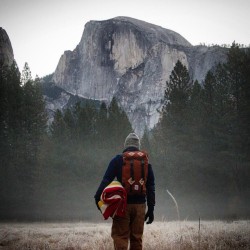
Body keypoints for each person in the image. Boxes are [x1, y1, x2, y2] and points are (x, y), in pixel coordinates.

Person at [94, 132, 155, 250]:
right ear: (138, 146)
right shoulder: (146, 162)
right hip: (140, 206)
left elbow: (106, 180)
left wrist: (97, 198)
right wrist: (151, 209)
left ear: (125, 145)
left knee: (120, 237)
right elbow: (151, 186)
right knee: (137, 239)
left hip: (122, 206)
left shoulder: (118, 160)